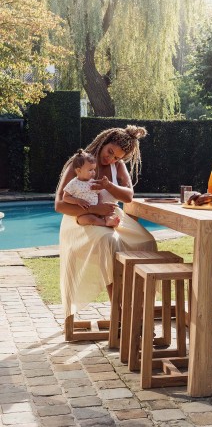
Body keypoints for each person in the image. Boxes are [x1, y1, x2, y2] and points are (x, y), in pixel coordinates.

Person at [55, 125, 157, 319]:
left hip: (111, 217)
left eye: (116, 157)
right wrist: (95, 209)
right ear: (103, 141)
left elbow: (128, 196)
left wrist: (109, 185)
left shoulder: (117, 166)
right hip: (81, 220)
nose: (110, 159)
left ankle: (139, 309)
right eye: (110, 152)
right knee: (110, 241)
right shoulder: (81, 162)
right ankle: (118, 310)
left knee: (147, 241)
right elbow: (59, 204)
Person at [63, 149, 120, 227]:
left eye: (94, 169)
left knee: (110, 212)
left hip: (98, 210)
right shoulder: (73, 183)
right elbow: (65, 197)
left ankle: (109, 219)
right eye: (90, 170)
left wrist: (100, 204)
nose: (94, 172)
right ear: (79, 170)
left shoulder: (92, 182)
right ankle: (105, 223)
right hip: (83, 213)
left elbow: (98, 194)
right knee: (88, 219)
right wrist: (77, 201)